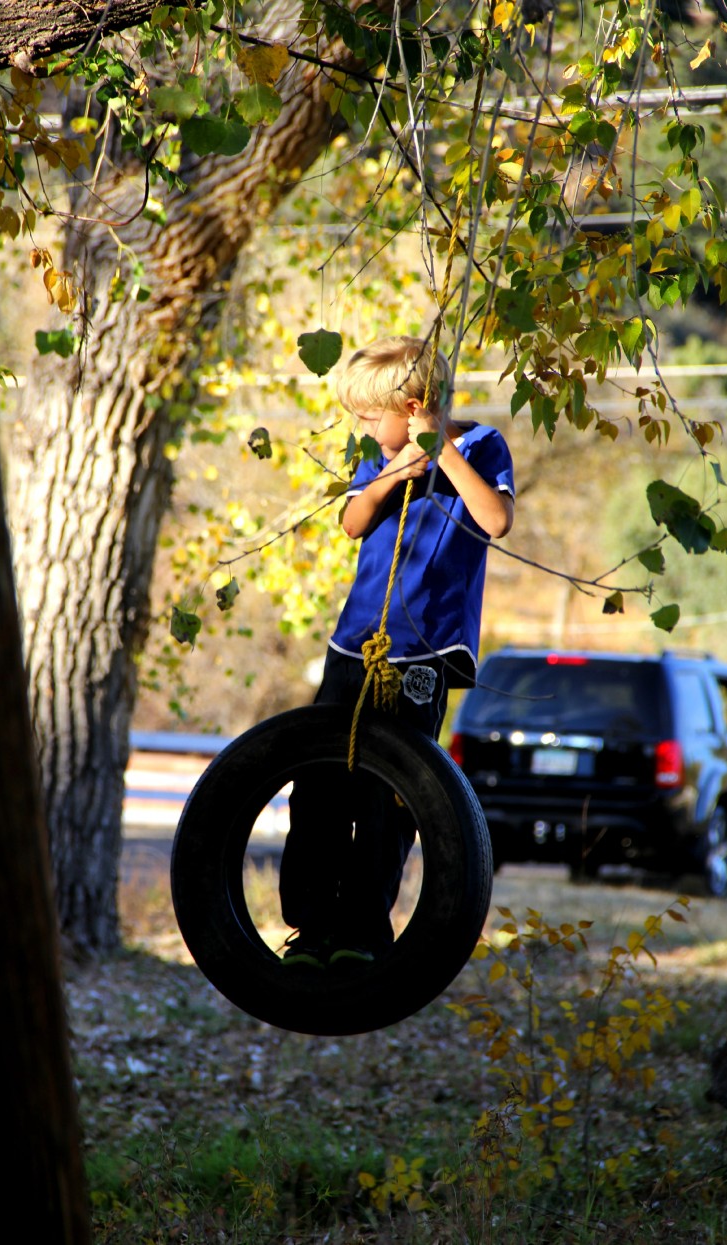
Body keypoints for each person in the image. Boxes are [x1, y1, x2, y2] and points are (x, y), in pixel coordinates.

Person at [278, 334, 515, 968]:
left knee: (391, 798)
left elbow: (494, 520)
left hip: (424, 655)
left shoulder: (482, 447)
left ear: (414, 407)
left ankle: (362, 931)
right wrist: (390, 471)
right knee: (320, 783)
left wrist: (441, 450)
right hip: (355, 645)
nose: (362, 427)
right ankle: (311, 923)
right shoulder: (376, 455)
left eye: (368, 415)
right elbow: (352, 522)